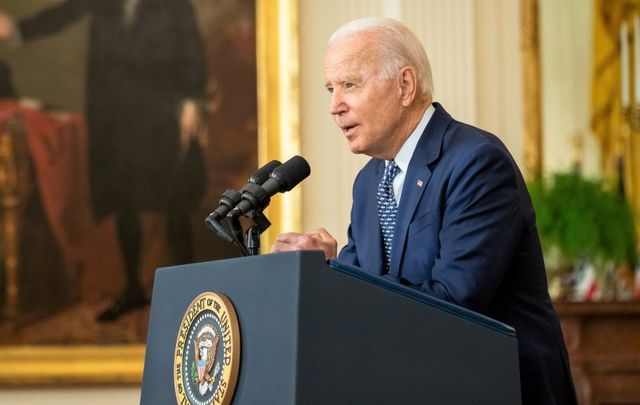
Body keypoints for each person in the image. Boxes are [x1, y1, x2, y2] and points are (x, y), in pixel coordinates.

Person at [272, 17, 578, 405]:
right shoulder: (369, 183)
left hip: (500, 389)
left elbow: (452, 306)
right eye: (331, 89)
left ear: (405, 86)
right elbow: (362, 298)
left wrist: (334, 266)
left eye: (350, 85)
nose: (335, 106)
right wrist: (324, 273)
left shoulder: (476, 162)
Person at [0, 0, 207, 321]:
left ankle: (191, 292)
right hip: (115, 114)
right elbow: (66, 13)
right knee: (124, 203)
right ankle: (133, 290)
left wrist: (192, 101)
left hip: (161, 113)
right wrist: (18, 29)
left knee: (173, 203)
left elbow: (191, 46)